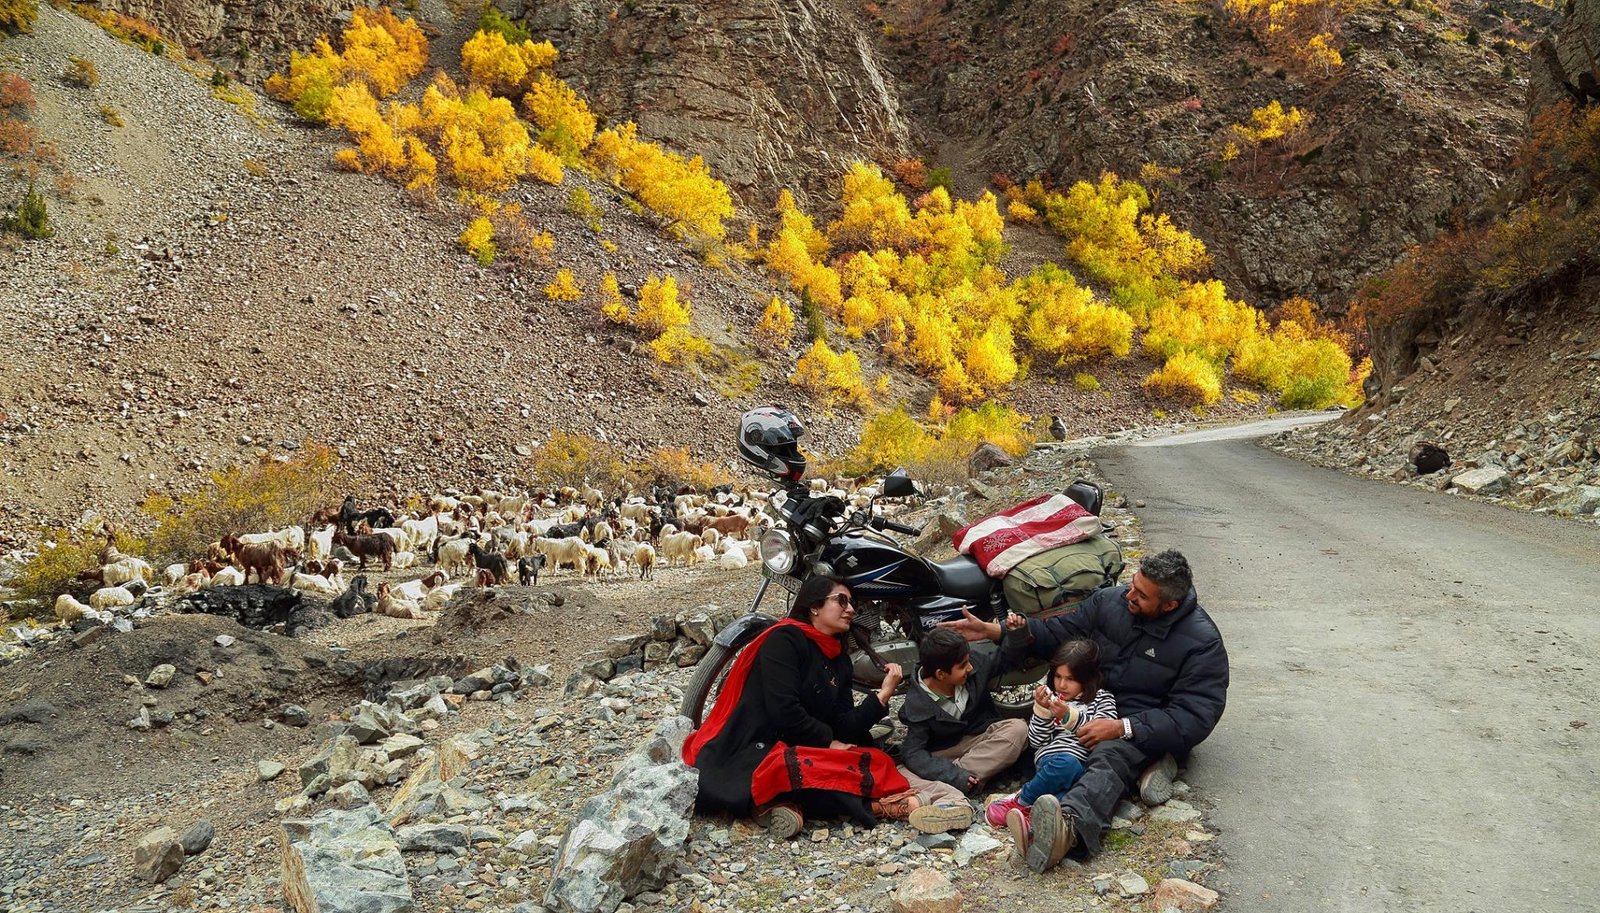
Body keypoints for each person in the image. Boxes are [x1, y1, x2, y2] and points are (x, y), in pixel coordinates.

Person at [942, 549, 1228, 873]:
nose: (1129, 595)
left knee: (1107, 759)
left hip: (1136, 722)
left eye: (1141, 595)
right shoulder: (1110, 601)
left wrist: (1123, 727)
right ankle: (948, 783)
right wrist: (1002, 632)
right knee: (1022, 733)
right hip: (1083, 703)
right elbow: (1059, 633)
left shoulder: (1202, 644)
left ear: (1170, 605)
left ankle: (1065, 831)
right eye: (1132, 584)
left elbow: (1195, 716)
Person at [682, 575, 973, 838]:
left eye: (852, 603)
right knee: (797, 767)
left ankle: (781, 805)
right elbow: (783, 710)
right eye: (841, 601)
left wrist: (882, 696)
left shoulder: (839, 660)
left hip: (800, 744)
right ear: (814, 607)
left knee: (874, 758)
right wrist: (829, 742)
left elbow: (844, 725)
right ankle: (882, 806)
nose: (850, 609)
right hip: (754, 748)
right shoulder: (784, 640)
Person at [985, 637, 1119, 867]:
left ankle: (1032, 824)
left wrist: (1069, 716)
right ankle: (1021, 800)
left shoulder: (1102, 699)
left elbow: (1101, 731)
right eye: (1058, 677)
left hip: (1083, 764)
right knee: (1068, 765)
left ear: (1087, 679)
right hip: (1054, 760)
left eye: (1070, 679)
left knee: (1067, 797)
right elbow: (1037, 740)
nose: (1062, 685)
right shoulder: (1050, 700)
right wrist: (1043, 711)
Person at [897, 628, 1029, 805]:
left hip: (979, 739)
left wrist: (1015, 633)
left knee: (1018, 729)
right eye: (962, 666)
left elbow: (1004, 658)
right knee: (902, 770)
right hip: (945, 753)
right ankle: (966, 781)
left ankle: (957, 784)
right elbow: (913, 752)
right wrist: (953, 774)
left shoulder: (973, 665)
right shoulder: (918, 703)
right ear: (941, 674)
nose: (970, 667)